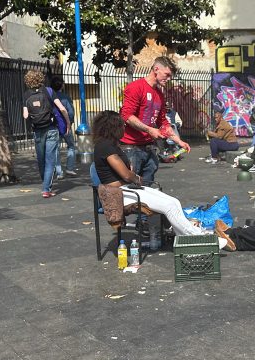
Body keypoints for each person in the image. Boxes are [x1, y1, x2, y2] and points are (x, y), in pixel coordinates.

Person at [93, 110, 225, 248]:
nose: (124, 127)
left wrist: (131, 174)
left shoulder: (111, 145)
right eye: (122, 125)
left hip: (127, 189)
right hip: (121, 194)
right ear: (113, 127)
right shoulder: (105, 147)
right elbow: (126, 175)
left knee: (173, 202)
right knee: (168, 207)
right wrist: (136, 177)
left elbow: (125, 172)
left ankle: (189, 240)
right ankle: (201, 240)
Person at [119, 56, 191, 184]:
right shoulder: (136, 87)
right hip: (130, 147)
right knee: (131, 188)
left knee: (148, 188)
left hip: (148, 147)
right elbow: (127, 115)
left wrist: (179, 141)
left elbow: (163, 123)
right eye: (167, 74)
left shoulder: (159, 94)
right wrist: (149, 129)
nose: (169, 79)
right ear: (156, 69)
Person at [22, 70, 71, 198]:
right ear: (41, 79)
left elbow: (25, 115)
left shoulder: (26, 94)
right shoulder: (49, 91)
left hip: (37, 130)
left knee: (41, 159)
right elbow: (62, 109)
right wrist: (68, 123)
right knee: (51, 160)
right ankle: (46, 189)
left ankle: (45, 184)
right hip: (51, 128)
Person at [49, 75, 78, 179]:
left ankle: (59, 171)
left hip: (53, 125)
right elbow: (70, 111)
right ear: (61, 85)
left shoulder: (49, 96)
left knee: (55, 148)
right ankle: (69, 168)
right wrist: (70, 123)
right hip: (65, 125)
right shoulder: (65, 97)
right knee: (71, 146)